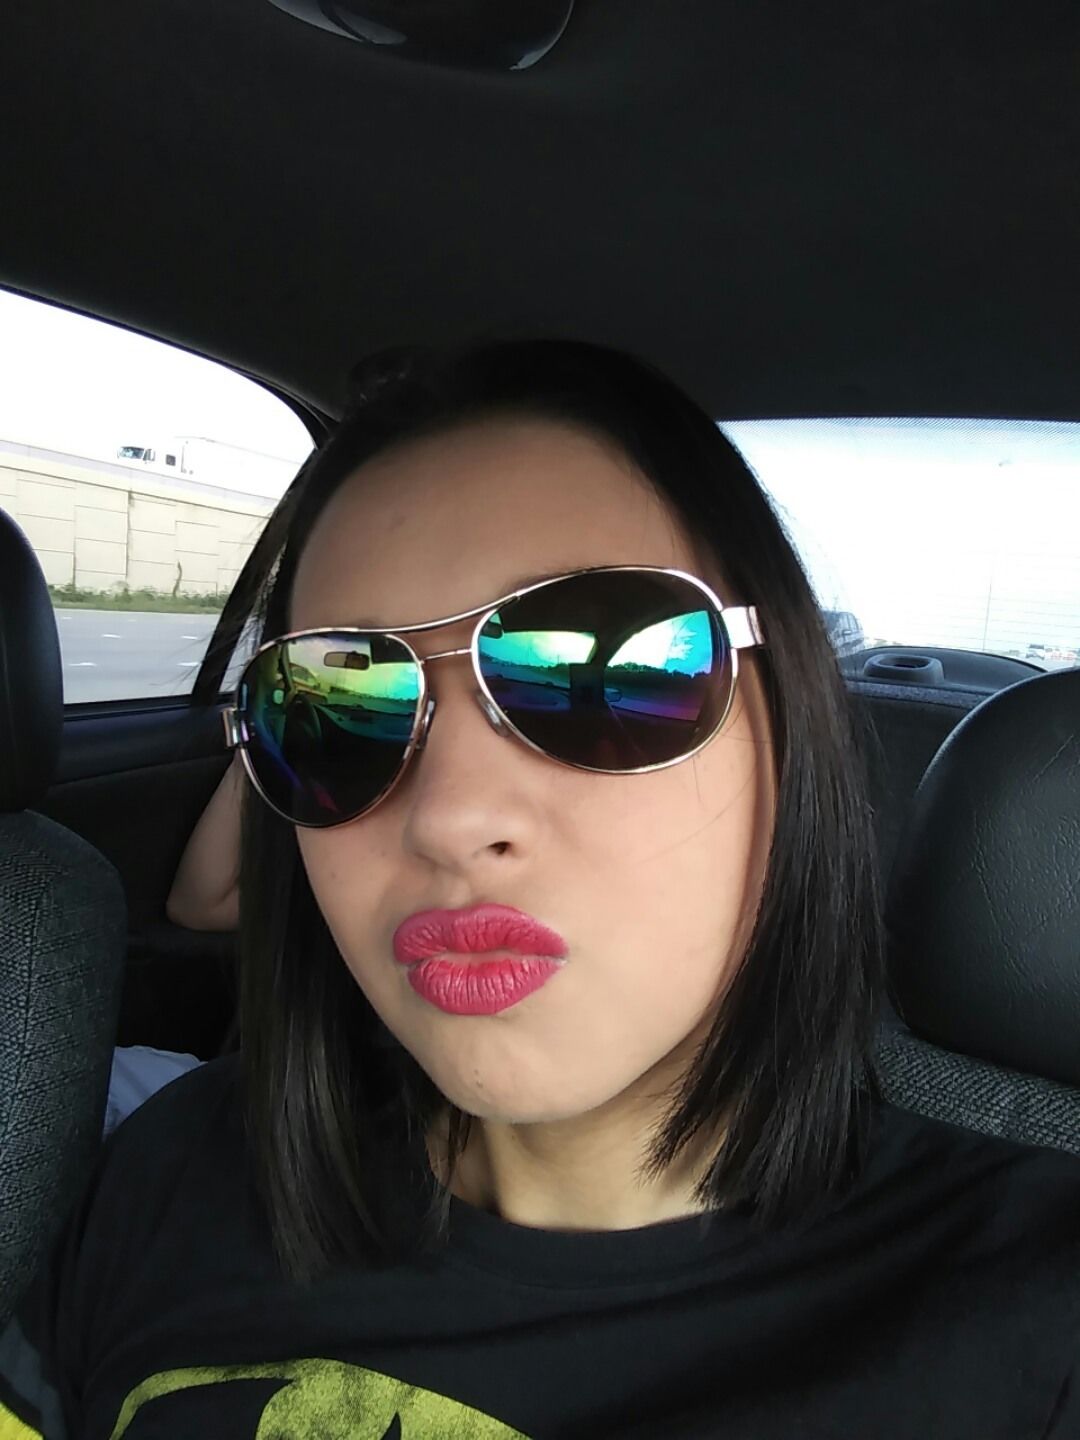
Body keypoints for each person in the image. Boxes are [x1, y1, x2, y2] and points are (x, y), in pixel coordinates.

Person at [2, 339, 1079, 1439]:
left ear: (793, 732)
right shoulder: (175, 1173)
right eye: (338, 702)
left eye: (603, 676)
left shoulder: (1036, 1330)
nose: (448, 818)